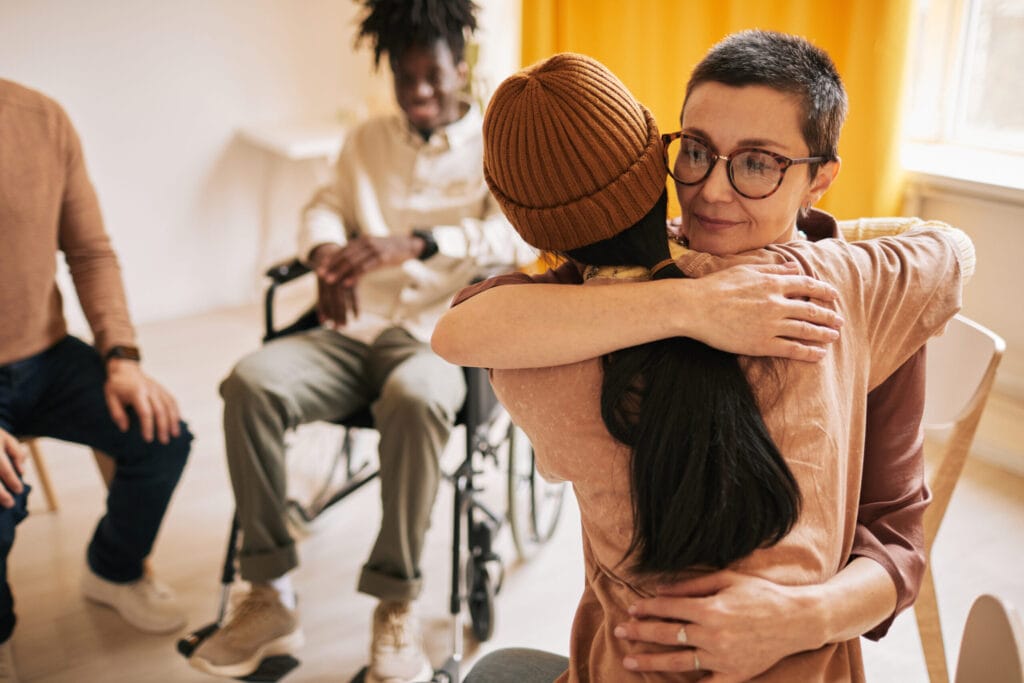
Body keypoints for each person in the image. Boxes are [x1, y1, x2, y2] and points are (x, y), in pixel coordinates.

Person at [442, 48, 973, 682]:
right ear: (657, 155)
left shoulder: (853, 298)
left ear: (821, 177)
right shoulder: (864, 282)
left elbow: (897, 543)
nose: (713, 191)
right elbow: (948, 246)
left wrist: (798, 617)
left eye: (758, 164)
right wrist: (693, 303)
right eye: (695, 151)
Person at [189, 1, 535, 681]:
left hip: (440, 335)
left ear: (460, 64)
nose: (421, 93)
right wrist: (324, 253)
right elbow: (323, 205)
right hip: (353, 331)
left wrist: (421, 242)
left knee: (411, 395)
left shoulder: (498, 141)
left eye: (432, 75)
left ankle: (395, 601)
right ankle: (269, 591)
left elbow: (515, 238)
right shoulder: (366, 143)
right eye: (406, 79)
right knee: (250, 383)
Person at [0, 78, 193, 682]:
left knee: (162, 436)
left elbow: (90, 253)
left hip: (47, 355)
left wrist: (122, 358)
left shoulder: (40, 118)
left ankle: (112, 568)